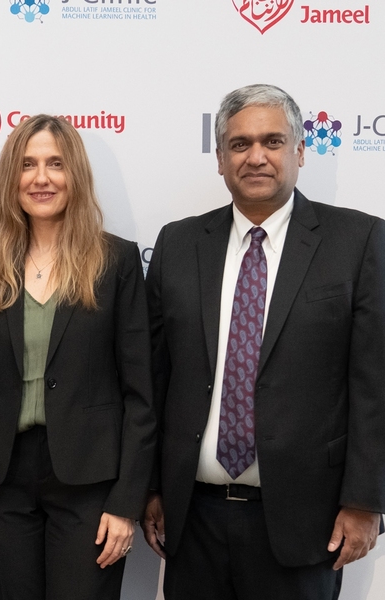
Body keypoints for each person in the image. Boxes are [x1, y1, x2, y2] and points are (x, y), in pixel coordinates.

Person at [141, 83, 385, 599]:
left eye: (273, 142)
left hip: (306, 521)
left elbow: (374, 384)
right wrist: (152, 488)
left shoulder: (359, 242)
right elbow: (154, 378)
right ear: (220, 159)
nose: (256, 157)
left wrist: (366, 501)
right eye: (239, 144)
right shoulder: (178, 244)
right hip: (193, 519)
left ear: (299, 151)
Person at [0, 114, 156, 600]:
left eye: (55, 164)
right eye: (28, 164)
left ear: (75, 176)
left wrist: (127, 501)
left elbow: (141, 394)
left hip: (91, 483)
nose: (41, 178)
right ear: (11, 179)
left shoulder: (117, 262)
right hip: (2, 481)